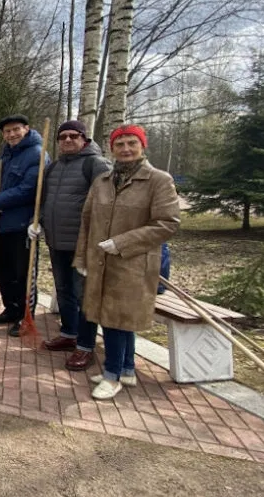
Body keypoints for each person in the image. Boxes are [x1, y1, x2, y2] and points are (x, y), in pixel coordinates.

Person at [74, 125, 180, 400]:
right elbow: (87, 220)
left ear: (142, 146)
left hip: (133, 264)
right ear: (112, 149)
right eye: (119, 144)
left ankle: (112, 376)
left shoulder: (158, 180)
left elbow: (167, 223)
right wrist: (82, 257)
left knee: (116, 320)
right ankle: (127, 369)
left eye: (132, 143)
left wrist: (122, 242)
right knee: (114, 318)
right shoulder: (103, 181)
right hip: (100, 262)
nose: (126, 149)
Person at [29, 120, 111, 371]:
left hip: (83, 244)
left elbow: (107, 204)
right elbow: (44, 198)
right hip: (56, 240)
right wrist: (39, 221)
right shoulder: (54, 167)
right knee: (64, 290)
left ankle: (85, 347)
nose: (66, 141)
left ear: (84, 138)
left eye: (73, 136)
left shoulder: (95, 164)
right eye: (62, 137)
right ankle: (69, 333)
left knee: (84, 295)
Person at [0, 114, 47, 337]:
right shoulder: (6, 154)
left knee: (23, 275)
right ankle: (11, 309)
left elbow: (29, 189)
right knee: (2, 272)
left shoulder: (37, 154)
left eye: (16, 129)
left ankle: (25, 316)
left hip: (23, 225)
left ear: (26, 128)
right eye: (7, 131)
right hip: (3, 225)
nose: (11, 134)